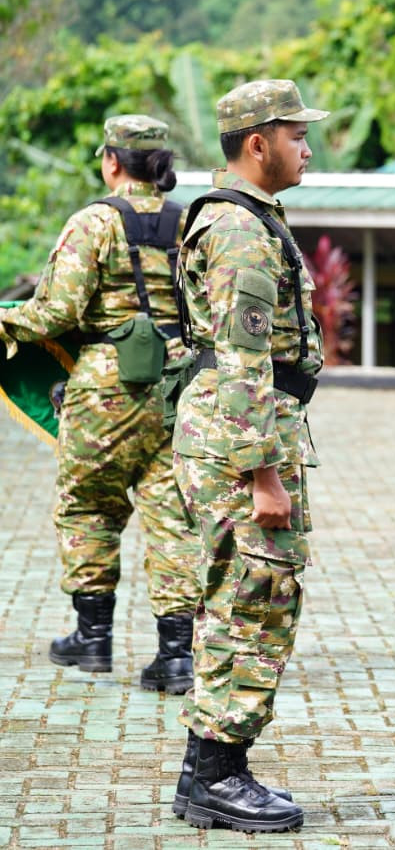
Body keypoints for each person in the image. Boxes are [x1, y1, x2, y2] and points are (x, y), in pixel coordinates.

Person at [170, 79, 327, 833]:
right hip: (243, 435)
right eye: (296, 134)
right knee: (252, 595)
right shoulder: (237, 230)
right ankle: (217, 775)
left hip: (244, 426)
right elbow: (241, 357)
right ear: (257, 142)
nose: (308, 147)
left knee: (246, 594)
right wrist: (264, 471)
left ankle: (210, 770)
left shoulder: (251, 219)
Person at [0, 115, 200, 694]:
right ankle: (176, 657)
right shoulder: (190, 222)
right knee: (172, 517)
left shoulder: (92, 223)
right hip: (176, 387)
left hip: (105, 389)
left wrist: (5, 319)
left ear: (111, 161)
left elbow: (54, 313)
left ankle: (92, 639)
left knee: (88, 506)